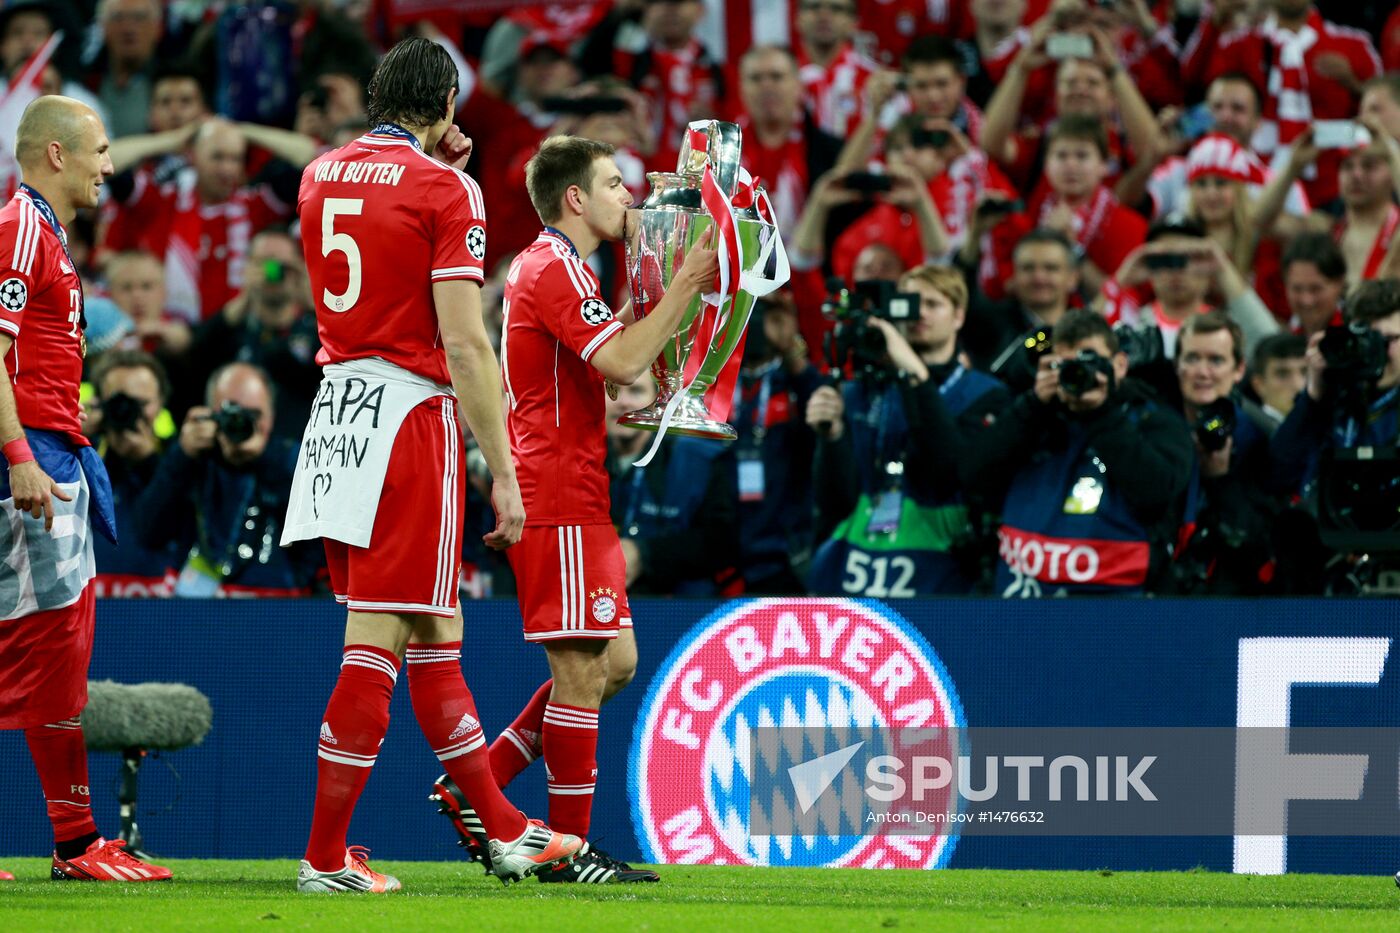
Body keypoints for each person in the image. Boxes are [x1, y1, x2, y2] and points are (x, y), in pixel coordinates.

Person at [279, 37, 581, 894]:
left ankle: (509, 829)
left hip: (338, 408)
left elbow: (375, 218)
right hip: (410, 414)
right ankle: (326, 858)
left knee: (432, 629)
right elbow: (462, 338)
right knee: (377, 635)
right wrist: (505, 464)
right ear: (447, 100)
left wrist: (435, 158)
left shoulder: (319, 172)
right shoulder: (450, 189)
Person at [465, 133, 716, 883]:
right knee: (579, 675)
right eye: (614, 184)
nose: (626, 198)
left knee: (617, 665)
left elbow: (608, 353)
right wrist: (686, 283)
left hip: (580, 489)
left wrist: (679, 235)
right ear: (576, 197)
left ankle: (472, 789)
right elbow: (625, 361)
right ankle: (568, 852)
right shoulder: (548, 267)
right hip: (559, 492)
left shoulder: (563, 266)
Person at [0, 95, 170, 882]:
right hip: (28, 461)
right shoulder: (20, 228)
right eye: (100, 151)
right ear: (57, 155)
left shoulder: (46, 235)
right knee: (39, 648)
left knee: (54, 648)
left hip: (50, 450)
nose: (111, 166)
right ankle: (75, 840)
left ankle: (77, 839)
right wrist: (19, 455)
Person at [806, 264, 1009, 595]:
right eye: (911, 303)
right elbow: (835, 503)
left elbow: (949, 474)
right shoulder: (863, 391)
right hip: (859, 568)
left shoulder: (987, 395)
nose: (920, 314)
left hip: (941, 572)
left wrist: (914, 373)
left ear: (959, 316)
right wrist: (831, 439)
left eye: (933, 304)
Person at [962, 309, 1195, 596]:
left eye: (1089, 362)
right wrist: (1032, 404)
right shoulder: (1033, 417)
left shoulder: (1154, 419)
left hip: (1111, 612)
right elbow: (973, 476)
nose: (1077, 375)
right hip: (1019, 603)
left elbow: (1157, 491)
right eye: (1065, 365)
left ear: (1120, 365)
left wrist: (1102, 414)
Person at [128, 362, 320, 597]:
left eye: (254, 415)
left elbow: (316, 542)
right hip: (198, 612)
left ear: (271, 416)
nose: (241, 423)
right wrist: (181, 457)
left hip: (278, 610)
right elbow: (148, 534)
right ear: (211, 414)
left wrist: (264, 459)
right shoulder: (191, 460)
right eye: (231, 412)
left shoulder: (293, 460)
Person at [90, 349, 181, 596]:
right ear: (100, 402)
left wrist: (148, 460)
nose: (128, 411)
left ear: (161, 403)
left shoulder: (182, 460)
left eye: (140, 404)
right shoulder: (80, 459)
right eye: (118, 402)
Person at [1246, 333, 1308, 434]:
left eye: (1305, 372)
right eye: (1283, 374)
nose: (1298, 386)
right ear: (1259, 385)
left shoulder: (1331, 431)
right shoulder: (1246, 436)